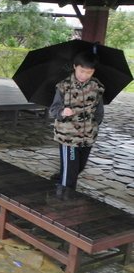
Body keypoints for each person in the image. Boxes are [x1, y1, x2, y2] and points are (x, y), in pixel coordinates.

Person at [49, 50, 105, 192]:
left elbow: (99, 112)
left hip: (88, 137)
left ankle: (57, 180)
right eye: (81, 71)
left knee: (79, 167)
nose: (84, 75)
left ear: (93, 71)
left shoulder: (97, 87)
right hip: (68, 137)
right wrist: (62, 112)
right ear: (75, 66)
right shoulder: (63, 86)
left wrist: (94, 126)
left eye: (89, 72)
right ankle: (64, 202)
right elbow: (53, 110)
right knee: (70, 175)